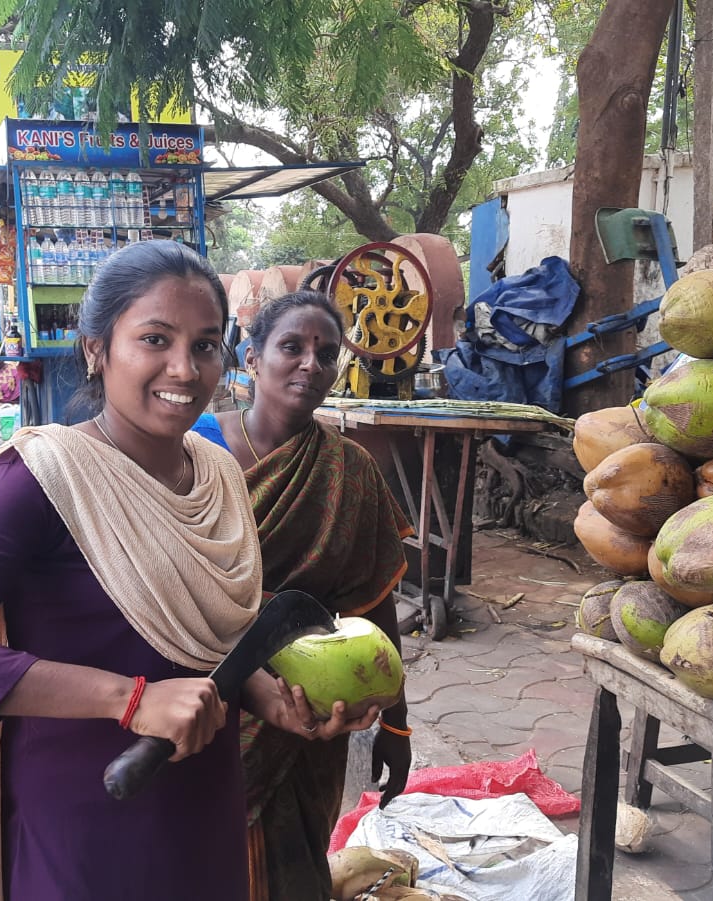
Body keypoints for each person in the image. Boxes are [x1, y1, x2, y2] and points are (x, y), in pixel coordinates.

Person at [0, 242, 377, 900]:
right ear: (96, 348)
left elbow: (203, 641)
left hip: (205, 814)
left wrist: (266, 696)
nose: (184, 367)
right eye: (155, 339)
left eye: (204, 345)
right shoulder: (43, 478)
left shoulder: (217, 473)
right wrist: (130, 699)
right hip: (89, 826)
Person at [192, 290, 416, 901]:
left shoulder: (350, 469)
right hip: (212, 697)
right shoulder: (195, 453)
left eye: (326, 353)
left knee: (296, 870)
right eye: (292, 346)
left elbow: (374, 604)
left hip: (314, 709)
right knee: (207, 859)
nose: (310, 364)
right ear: (252, 357)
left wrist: (395, 725)